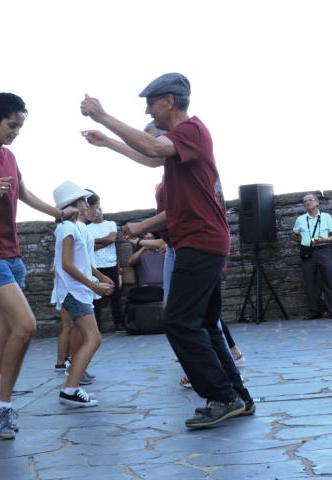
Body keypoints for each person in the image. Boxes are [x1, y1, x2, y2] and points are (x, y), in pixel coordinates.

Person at [80, 72, 252, 429]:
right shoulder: (183, 144)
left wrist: (103, 116)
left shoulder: (191, 130)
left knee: (178, 322)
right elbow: (151, 158)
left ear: (169, 101)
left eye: (151, 103)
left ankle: (223, 397)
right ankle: (238, 396)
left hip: (199, 242)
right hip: (204, 241)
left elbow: (154, 149)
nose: (148, 111)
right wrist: (109, 142)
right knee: (204, 322)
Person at [0, 90, 77, 439]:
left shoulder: (9, 156)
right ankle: (3, 407)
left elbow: (24, 193)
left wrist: (59, 213)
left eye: (20, 126)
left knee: (3, 336)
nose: (15, 132)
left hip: (12, 255)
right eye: (11, 125)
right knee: (26, 326)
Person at [51, 181, 114, 407]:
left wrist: (101, 277)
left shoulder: (78, 228)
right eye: (84, 201)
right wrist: (94, 285)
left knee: (87, 338)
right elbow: (67, 264)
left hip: (79, 290)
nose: (88, 205)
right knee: (93, 338)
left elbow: (84, 262)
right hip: (73, 291)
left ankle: (72, 385)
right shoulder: (67, 228)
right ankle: (70, 389)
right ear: (73, 204)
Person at [292, 193, 332, 319]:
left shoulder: (326, 217)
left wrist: (325, 239)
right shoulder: (300, 219)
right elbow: (294, 236)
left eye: (310, 200)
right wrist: (305, 240)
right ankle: (315, 312)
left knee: (328, 281)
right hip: (307, 252)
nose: (308, 202)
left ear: (317, 202)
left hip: (324, 250)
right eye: (305, 201)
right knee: (310, 283)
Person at [86, 191, 124, 331]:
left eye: (100, 209)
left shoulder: (111, 224)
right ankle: (97, 326)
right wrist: (102, 242)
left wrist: (93, 241)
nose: (98, 212)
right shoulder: (87, 228)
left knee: (115, 296)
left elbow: (111, 239)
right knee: (95, 297)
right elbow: (88, 246)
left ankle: (118, 323)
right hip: (95, 266)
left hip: (111, 264)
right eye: (96, 208)